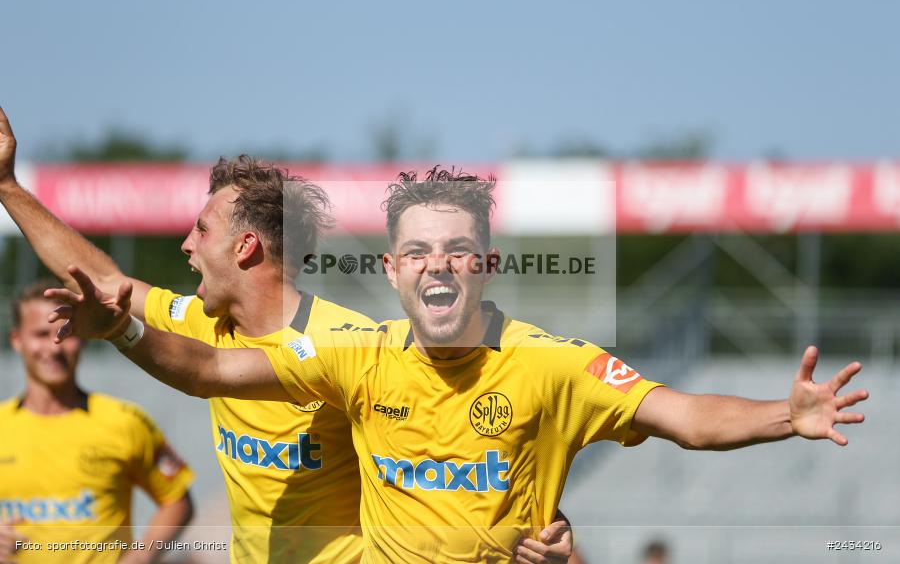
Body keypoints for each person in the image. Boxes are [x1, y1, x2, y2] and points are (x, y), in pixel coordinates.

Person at [45, 167, 869, 563]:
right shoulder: (356, 358)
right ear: (396, 272)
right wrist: (118, 330)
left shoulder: (554, 365)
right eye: (416, 253)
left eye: (456, 251)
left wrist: (783, 416)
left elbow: (684, 416)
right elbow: (212, 373)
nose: (437, 267)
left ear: (484, 264)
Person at [0, 107, 573, 564]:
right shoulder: (202, 323)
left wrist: (535, 523)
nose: (186, 246)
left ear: (246, 247)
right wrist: (7, 186)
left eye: (201, 229)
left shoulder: (352, 346)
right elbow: (107, 282)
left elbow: (454, 436)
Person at [0, 281, 194, 564]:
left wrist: (140, 557)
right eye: (41, 334)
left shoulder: (125, 421)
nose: (54, 348)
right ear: (17, 340)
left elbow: (177, 499)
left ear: (82, 338)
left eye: (64, 334)